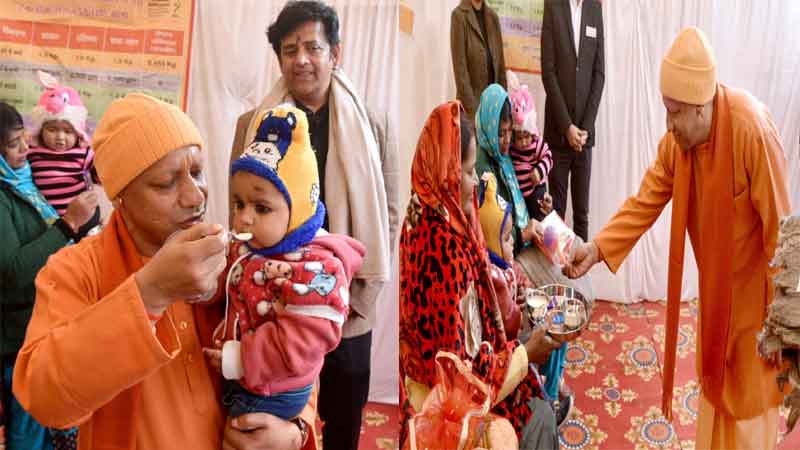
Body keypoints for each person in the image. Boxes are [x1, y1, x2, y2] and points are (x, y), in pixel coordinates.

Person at [12, 93, 318, 450]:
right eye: (166, 182)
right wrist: (150, 294)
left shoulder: (237, 257)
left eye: (197, 172)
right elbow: (46, 399)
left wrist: (294, 430)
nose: (196, 197)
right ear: (120, 196)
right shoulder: (76, 269)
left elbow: (299, 349)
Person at [565, 27, 791, 449]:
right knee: (713, 401)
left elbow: (783, 234)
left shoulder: (752, 130)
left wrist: (788, 324)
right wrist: (596, 249)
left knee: (747, 414)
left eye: (675, 113)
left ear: (701, 107)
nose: (668, 125)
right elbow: (645, 201)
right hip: (714, 302)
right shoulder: (679, 145)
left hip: (756, 311)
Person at [229, 3, 398, 449]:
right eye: (290, 50)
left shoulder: (373, 124)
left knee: (344, 414)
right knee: (275, 419)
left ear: (335, 53)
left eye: (312, 47)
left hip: (349, 299)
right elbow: (239, 209)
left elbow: (389, 211)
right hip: (272, 301)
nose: (301, 59)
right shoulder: (253, 126)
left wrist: (360, 288)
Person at [399, 101, 563, 449]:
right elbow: (458, 380)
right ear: (447, 172)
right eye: (469, 171)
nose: (474, 182)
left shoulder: (430, 212)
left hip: (452, 384)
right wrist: (523, 355)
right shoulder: (442, 249)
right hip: (453, 415)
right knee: (540, 420)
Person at [207, 105, 364, 426]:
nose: (244, 217)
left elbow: (301, 343)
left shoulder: (318, 268)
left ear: (298, 212)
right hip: (244, 376)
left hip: (274, 391)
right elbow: (228, 280)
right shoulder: (252, 244)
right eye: (238, 203)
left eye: (262, 207)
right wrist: (205, 282)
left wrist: (239, 358)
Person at [0, 101, 97, 450]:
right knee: (27, 430)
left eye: (23, 139)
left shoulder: (26, 181)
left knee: (43, 425)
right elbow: (12, 272)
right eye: (13, 144)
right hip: (15, 340)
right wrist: (68, 225)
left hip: (40, 330)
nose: (26, 149)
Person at [541, 0, 605, 242]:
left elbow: (599, 73)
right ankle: (555, 267)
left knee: (582, 215)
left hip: (584, 138)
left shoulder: (595, 9)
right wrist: (567, 126)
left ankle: (580, 267)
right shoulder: (553, 6)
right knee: (555, 214)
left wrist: (585, 128)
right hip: (558, 133)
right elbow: (548, 72)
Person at [27, 70, 101, 240]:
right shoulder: (32, 152)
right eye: (52, 130)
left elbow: (101, 176)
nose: (60, 137)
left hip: (83, 219)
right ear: (41, 130)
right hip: (47, 223)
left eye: (68, 131)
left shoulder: (83, 153)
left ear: (78, 133)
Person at [506, 73, 554, 221]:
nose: (523, 142)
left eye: (526, 137)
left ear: (532, 132)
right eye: (519, 138)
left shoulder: (536, 144)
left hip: (535, 190)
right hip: (520, 195)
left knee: (539, 217)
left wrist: (539, 171)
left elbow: (549, 157)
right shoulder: (512, 148)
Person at [450, 0, 507, 121]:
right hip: (470, 112)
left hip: (494, 109)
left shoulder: (493, 17)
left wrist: (504, 107)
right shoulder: (459, 16)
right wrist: (475, 114)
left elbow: (501, 68)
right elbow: (461, 73)